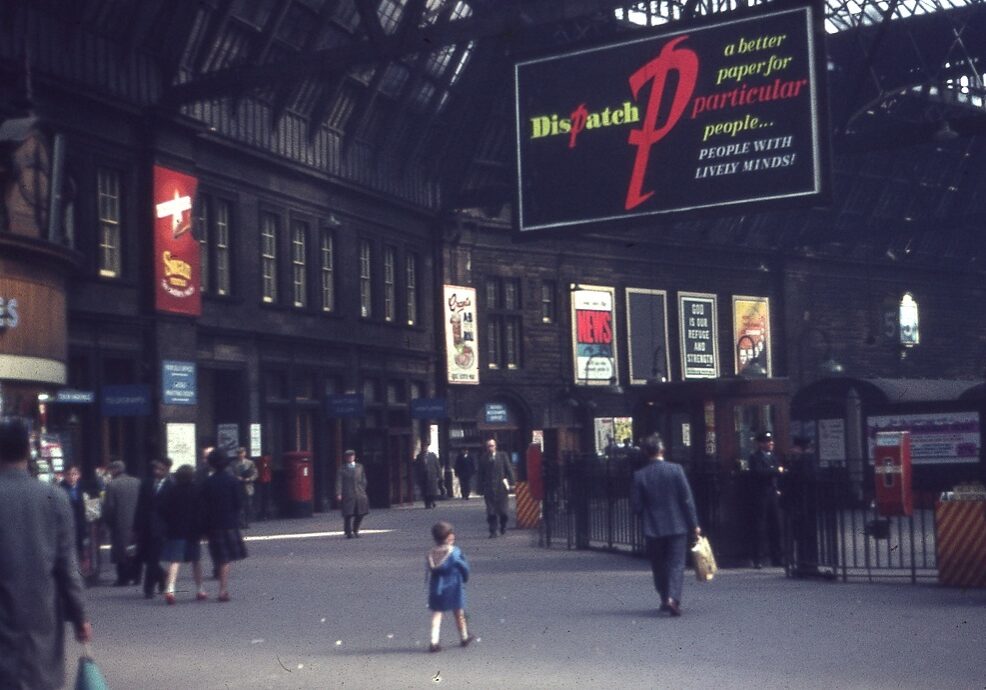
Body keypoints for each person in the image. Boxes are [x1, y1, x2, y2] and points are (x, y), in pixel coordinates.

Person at [0, 416, 92, 689]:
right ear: (28, 452)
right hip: (40, 616)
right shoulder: (54, 497)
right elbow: (69, 566)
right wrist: (80, 616)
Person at [631, 433, 700, 617]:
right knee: (676, 564)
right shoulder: (676, 470)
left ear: (646, 452)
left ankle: (663, 597)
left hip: (652, 527)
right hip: (677, 525)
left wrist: (644, 515)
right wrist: (694, 524)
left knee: (659, 564)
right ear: (663, 450)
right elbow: (687, 499)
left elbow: (636, 505)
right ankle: (673, 598)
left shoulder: (639, 476)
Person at [199, 447, 247, 601]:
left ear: (211, 464)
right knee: (225, 559)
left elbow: (203, 505)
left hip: (212, 524)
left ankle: (217, 586)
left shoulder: (207, 483)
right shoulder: (232, 481)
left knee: (218, 556)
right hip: (229, 523)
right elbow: (239, 503)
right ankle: (223, 590)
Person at [159, 464, 207, 604]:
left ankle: (170, 589)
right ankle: (200, 589)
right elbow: (202, 511)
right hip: (193, 530)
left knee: (175, 561)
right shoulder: (197, 490)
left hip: (175, 529)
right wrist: (202, 529)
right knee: (195, 561)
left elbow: (162, 509)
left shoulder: (171, 490)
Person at [425, 521, 474, 653]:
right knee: (458, 612)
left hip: (437, 588)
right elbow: (463, 567)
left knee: (437, 614)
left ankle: (434, 641)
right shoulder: (454, 552)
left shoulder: (431, 553)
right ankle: (464, 637)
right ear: (449, 537)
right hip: (454, 587)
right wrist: (465, 577)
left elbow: (429, 570)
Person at [133, 458, 172, 599]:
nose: (157, 472)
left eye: (161, 469)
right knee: (144, 557)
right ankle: (162, 576)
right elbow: (140, 505)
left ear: (167, 469)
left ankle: (148, 588)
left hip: (161, 528)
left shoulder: (171, 485)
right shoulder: (147, 483)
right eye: (156, 469)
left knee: (153, 558)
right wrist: (136, 526)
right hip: (145, 525)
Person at [748, 430, 786, 569]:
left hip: (773, 495)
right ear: (761, 444)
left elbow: (778, 472)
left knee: (776, 525)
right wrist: (776, 471)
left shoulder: (774, 457)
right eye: (767, 442)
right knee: (760, 527)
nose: (771, 444)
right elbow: (759, 472)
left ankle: (777, 557)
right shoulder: (755, 457)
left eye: (771, 441)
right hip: (761, 495)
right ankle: (758, 558)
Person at [102, 458, 142, 586]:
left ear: (115, 470)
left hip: (120, 523)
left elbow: (109, 507)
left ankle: (123, 578)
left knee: (121, 551)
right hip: (136, 521)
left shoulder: (112, 485)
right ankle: (136, 577)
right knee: (135, 549)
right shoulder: (137, 482)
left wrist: (108, 522)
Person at [477, 438, 515, 538]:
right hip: (489, 489)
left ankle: (503, 525)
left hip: (501, 488)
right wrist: (480, 488)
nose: (490, 448)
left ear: (495, 446)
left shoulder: (502, 456)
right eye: (488, 446)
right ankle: (493, 531)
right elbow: (480, 474)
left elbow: (509, 469)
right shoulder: (483, 458)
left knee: (503, 512)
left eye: (492, 446)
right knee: (491, 512)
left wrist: (512, 482)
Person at [335, 449, 369, 538]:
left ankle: (355, 530)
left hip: (359, 493)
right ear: (346, 458)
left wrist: (363, 488)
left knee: (360, 513)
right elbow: (339, 481)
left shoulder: (359, 467)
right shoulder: (342, 469)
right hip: (348, 493)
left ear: (354, 457)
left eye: (352, 456)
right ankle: (348, 532)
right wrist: (339, 493)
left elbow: (363, 479)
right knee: (348, 514)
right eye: (348, 456)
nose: (350, 458)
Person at [59, 465, 88, 564]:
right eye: (68, 474)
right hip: (67, 524)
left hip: (81, 524)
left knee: (82, 548)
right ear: (64, 476)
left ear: (78, 475)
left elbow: (92, 507)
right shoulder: (60, 489)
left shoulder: (84, 487)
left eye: (74, 474)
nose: (71, 477)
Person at [233, 448, 258, 528]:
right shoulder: (233, 464)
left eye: (241, 453)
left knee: (248, 505)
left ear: (245, 453)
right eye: (238, 453)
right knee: (240, 505)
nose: (240, 455)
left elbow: (255, 473)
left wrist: (249, 479)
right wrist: (237, 478)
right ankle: (241, 522)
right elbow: (231, 474)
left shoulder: (250, 463)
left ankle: (247, 522)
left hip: (248, 486)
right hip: (238, 486)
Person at [416, 441, 442, 509]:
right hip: (423, 476)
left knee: (432, 490)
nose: (425, 448)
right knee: (425, 491)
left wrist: (439, 475)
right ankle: (427, 504)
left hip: (432, 476)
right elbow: (417, 467)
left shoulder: (432, 455)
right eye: (423, 447)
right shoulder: (419, 456)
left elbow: (437, 465)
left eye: (426, 447)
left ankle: (432, 501)